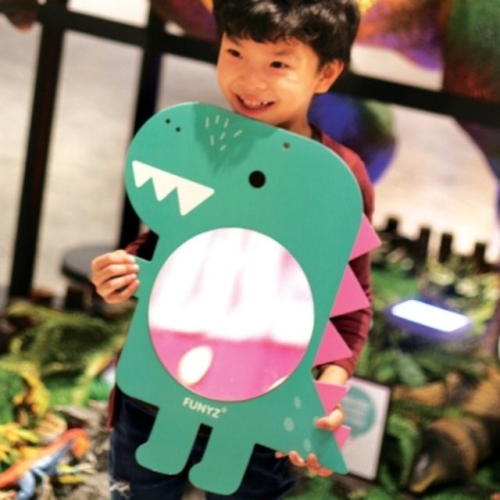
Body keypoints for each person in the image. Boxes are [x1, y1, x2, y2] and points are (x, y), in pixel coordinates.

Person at [90, 0, 374, 498]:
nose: (249, 79)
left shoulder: (338, 179)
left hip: (260, 413)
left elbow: (350, 306)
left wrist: (326, 393)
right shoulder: (197, 147)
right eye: (235, 52)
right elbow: (163, 242)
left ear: (326, 73)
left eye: (278, 63)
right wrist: (122, 272)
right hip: (158, 393)